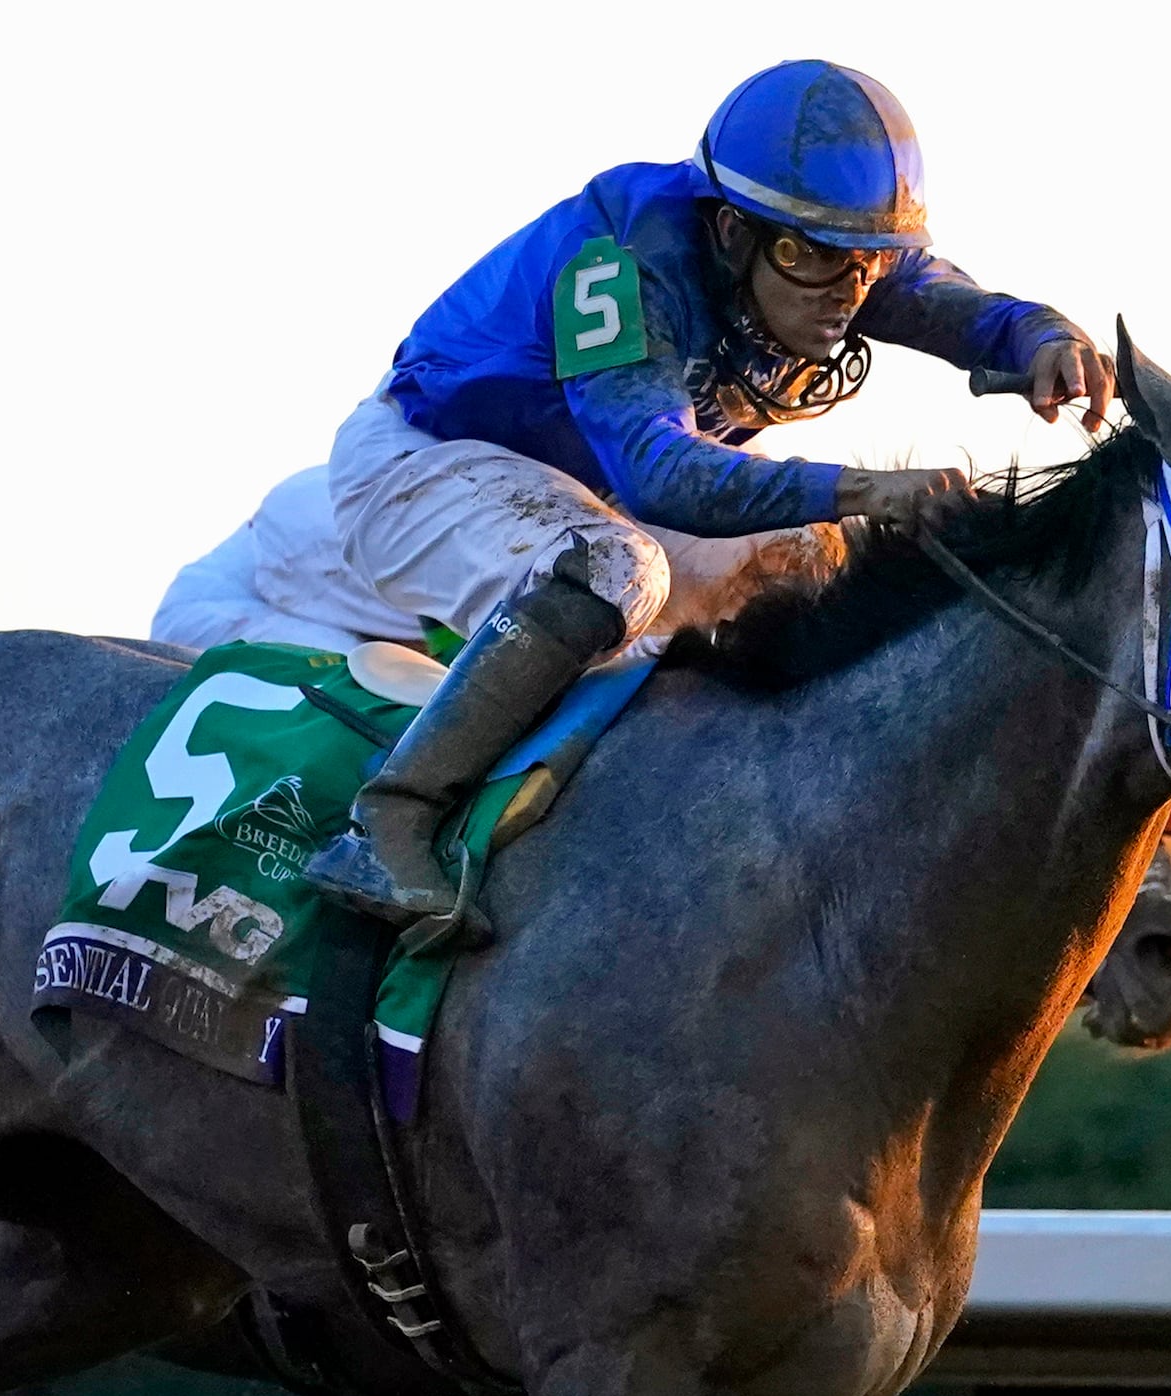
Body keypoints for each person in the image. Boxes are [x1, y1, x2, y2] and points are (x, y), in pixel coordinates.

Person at [150, 59, 1113, 940]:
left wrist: (1041, 340)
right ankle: (392, 822)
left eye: (864, 264)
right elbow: (661, 474)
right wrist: (868, 485)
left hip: (571, 482)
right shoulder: (620, 261)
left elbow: (954, 304)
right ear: (733, 229)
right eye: (817, 261)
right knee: (619, 567)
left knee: (810, 553)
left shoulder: (822, 252)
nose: (845, 295)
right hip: (417, 464)